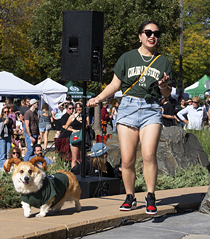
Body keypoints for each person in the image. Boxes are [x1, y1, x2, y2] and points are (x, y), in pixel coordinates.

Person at [87, 20, 172, 215]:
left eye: (156, 33)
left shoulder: (163, 61)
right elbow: (115, 84)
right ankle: (130, 196)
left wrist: (162, 85)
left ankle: (150, 196)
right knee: (127, 159)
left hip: (151, 108)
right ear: (140, 36)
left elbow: (167, 94)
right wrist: (98, 99)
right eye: (148, 32)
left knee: (149, 155)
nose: (152, 36)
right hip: (128, 108)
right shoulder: (127, 58)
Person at [64, 102, 89, 168]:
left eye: (80, 107)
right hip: (75, 137)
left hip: (83, 136)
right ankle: (74, 171)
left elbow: (88, 126)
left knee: (83, 158)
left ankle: (83, 171)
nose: (79, 109)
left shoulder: (85, 116)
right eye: (77, 107)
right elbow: (66, 126)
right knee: (74, 158)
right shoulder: (72, 116)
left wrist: (84, 123)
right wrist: (73, 130)